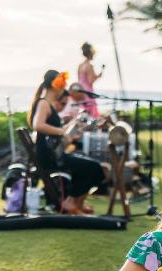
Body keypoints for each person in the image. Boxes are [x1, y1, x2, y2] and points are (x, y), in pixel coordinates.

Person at [29, 69, 105, 214]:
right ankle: (71, 202)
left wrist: (70, 127)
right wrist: (62, 131)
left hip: (54, 155)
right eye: (63, 86)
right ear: (55, 85)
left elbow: (54, 132)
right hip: (50, 158)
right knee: (95, 168)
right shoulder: (43, 103)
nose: (64, 89)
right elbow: (37, 125)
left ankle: (76, 203)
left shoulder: (47, 104)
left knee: (93, 167)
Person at [78, 42, 104, 119]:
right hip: (88, 93)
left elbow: (79, 79)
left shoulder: (81, 65)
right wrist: (99, 75)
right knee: (91, 116)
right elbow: (90, 81)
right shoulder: (89, 66)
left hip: (80, 91)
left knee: (81, 115)